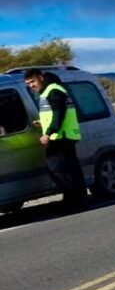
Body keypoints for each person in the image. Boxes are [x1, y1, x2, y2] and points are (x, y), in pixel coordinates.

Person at [23, 68, 88, 210]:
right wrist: (43, 123)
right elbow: (54, 113)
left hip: (60, 136)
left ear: (40, 77)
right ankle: (76, 200)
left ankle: (74, 199)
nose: (31, 86)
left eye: (32, 81)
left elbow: (59, 114)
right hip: (63, 135)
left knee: (57, 170)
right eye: (28, 83)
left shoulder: (53, 90)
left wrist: (48, 133)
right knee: (70, 169)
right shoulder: (51, 90)